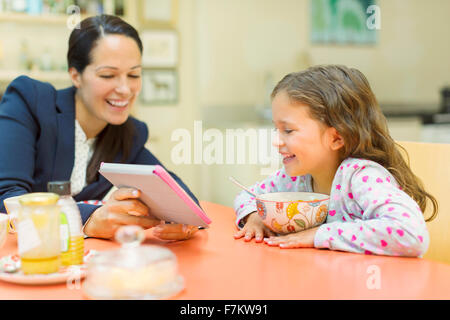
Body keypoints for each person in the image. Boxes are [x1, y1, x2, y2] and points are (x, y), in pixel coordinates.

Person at [0, 14, 199, 240]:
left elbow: (180, 195)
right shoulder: (31, 102)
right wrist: (88, 219)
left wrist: (184, 221)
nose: (125, 89)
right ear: (75, 75)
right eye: (108, 75)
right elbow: (7, 198)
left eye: (134, 74)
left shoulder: (129, 133)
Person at [233, 65, 438, 257]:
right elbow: (247, 195)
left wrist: (318, 235)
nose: (276, 142)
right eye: (276, 129)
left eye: (288, 130)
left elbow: (411, 233)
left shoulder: (361, 177)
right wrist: (255, 215)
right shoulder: (296, 178)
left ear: (336, 138)